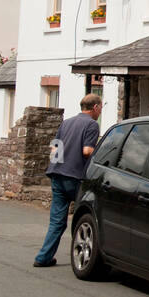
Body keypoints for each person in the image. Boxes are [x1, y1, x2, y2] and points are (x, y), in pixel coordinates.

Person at [34, 93, 103, 267]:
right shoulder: (92, 125)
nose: (100, 111)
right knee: (86, 217)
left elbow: (54, 148)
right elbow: (87, 151)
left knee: (57, 221)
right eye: (101, 107)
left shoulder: (66, 123)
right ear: (95, 107)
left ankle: (43, 257)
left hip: (57, 173)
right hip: (75, 177)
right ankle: (84, 255)